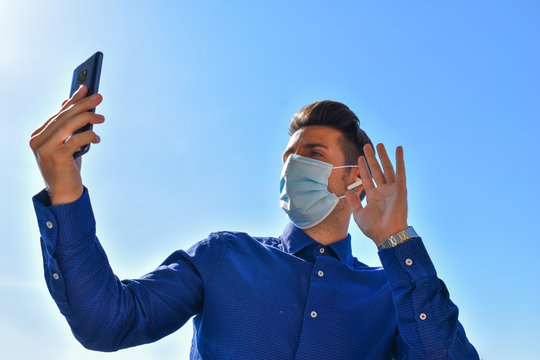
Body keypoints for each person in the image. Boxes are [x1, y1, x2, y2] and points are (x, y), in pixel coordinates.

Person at [30, 85, 480, 359]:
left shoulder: (389, 293)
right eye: (288, 157)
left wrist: (396, 243)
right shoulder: (224, 257)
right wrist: (65, 192)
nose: (292, 167)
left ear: (355, 178)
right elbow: (107, 321)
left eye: (313, 155)